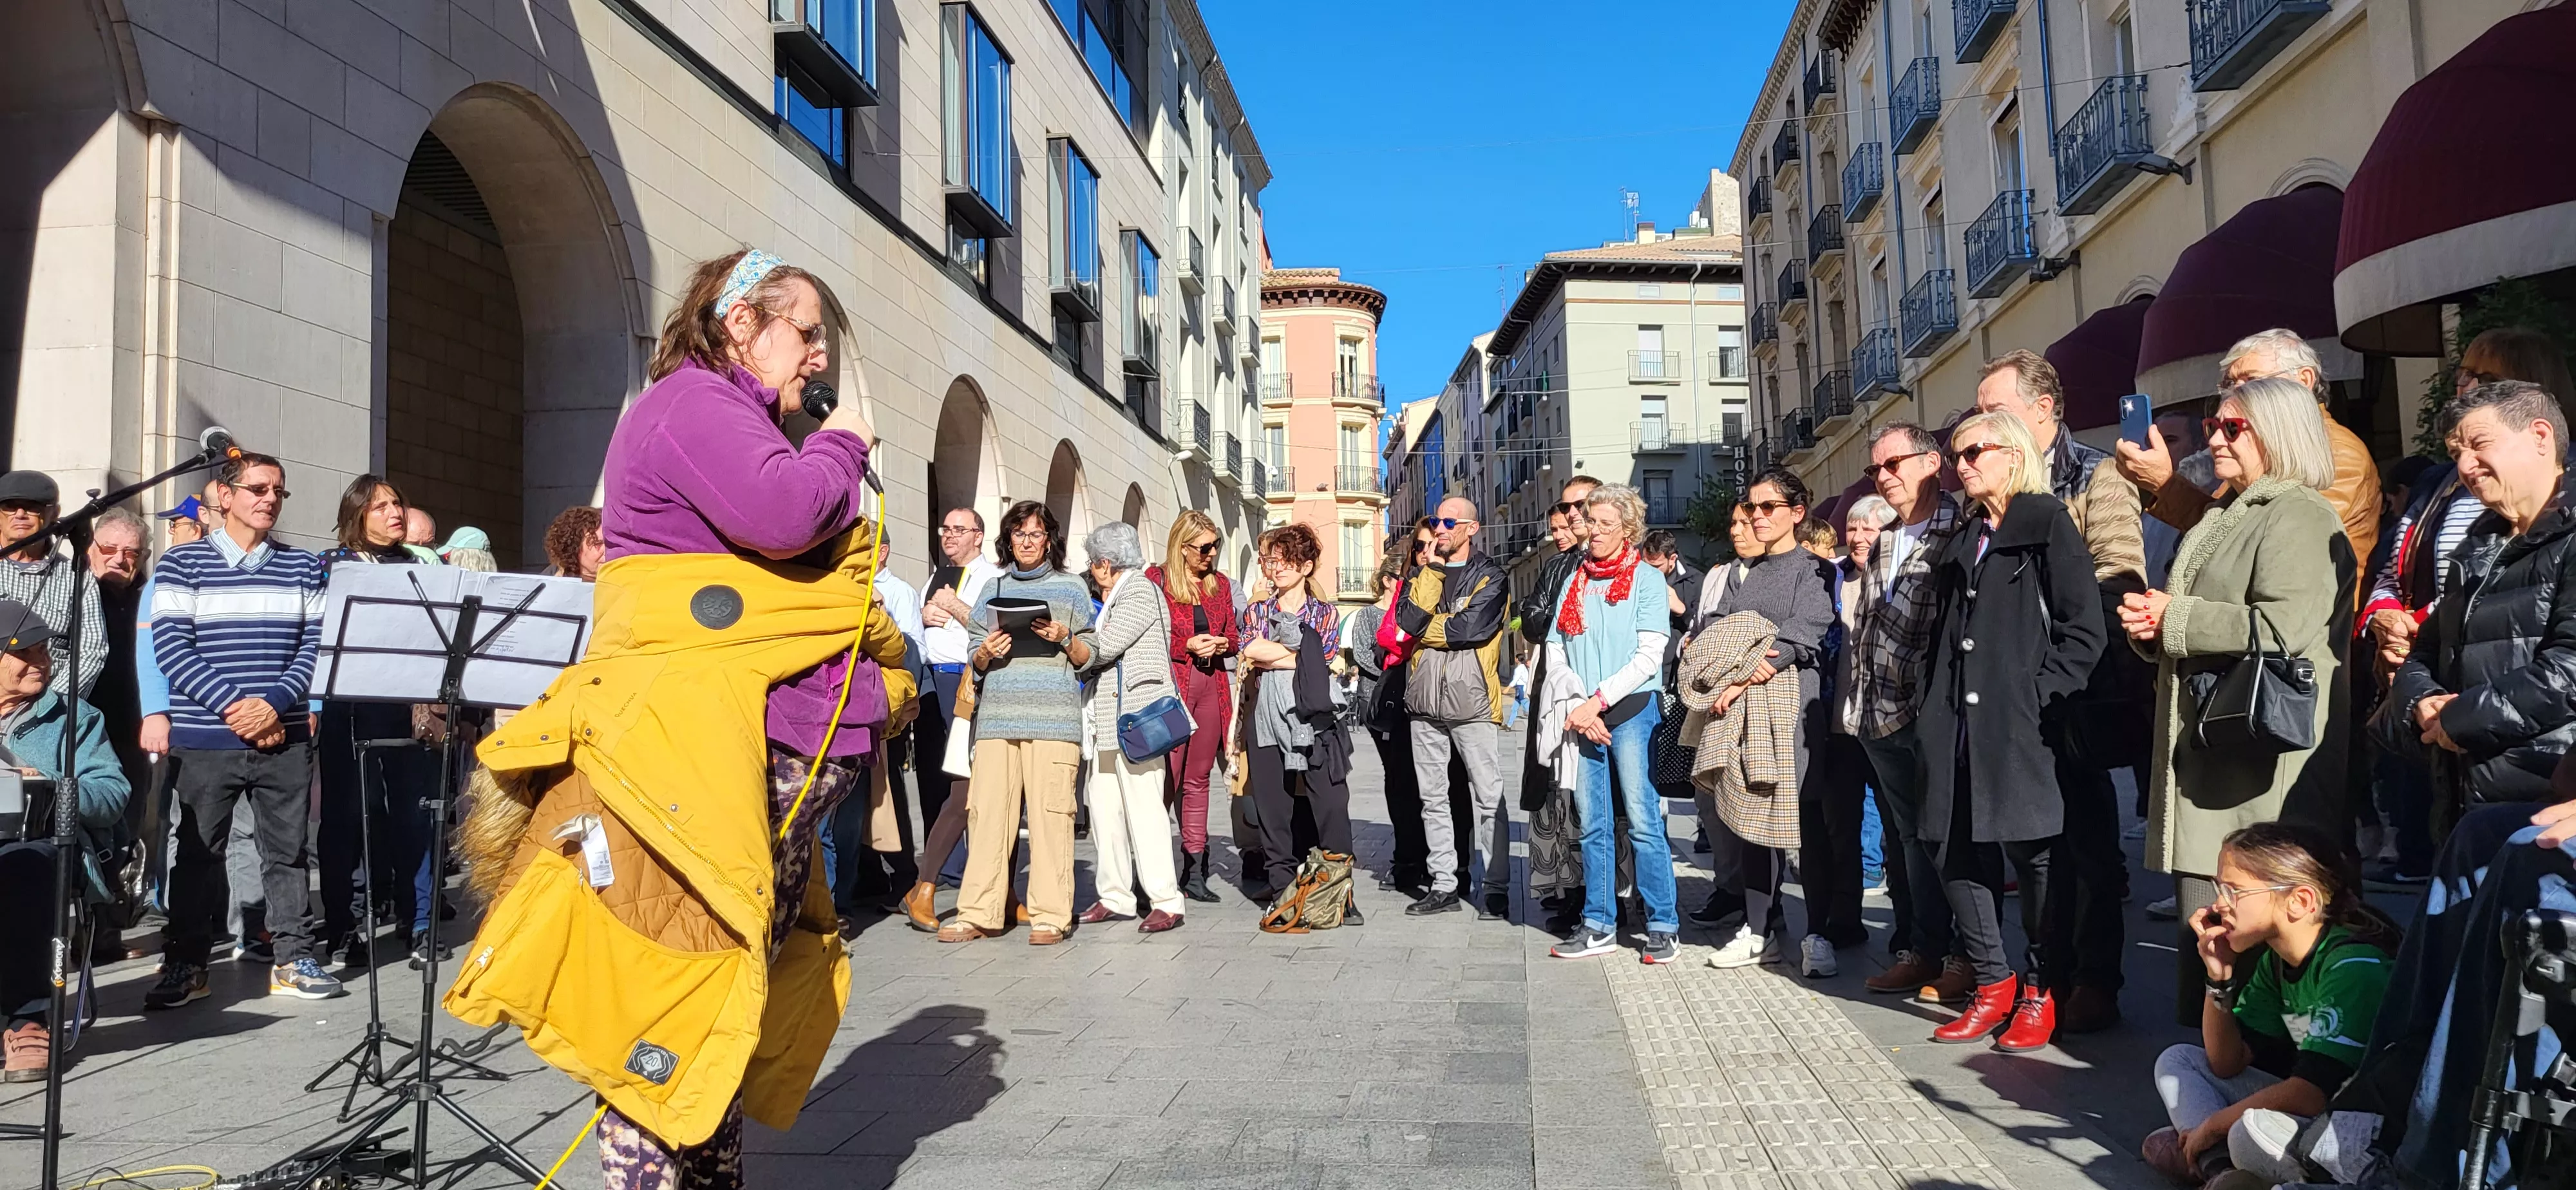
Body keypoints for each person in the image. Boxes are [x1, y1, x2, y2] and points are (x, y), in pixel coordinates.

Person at [448, 248, 905, 1185]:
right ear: (741, 322)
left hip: (738, 746)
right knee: (677, 987)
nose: (818, 357)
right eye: (806, 331)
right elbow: (784, 515)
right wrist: (843, 443)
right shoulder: (691, 404)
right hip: (696, 752)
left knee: (715, 986)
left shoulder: (731, 413)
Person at [2119, 377, 2354, 1028]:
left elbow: (2283, 630)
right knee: (2212, 942)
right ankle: (2214, 1084)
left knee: (2241, 943)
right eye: (2214, 424)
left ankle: (2240, 1090)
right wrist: (2152, 627)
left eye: (2232, 427)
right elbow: (2199, 621)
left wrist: (2173, 619)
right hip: (2217, 758)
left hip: (2257, 772)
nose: (2213, 438)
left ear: (2278, 434)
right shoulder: (2232, 509)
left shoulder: (2300, 514)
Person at [1916, 411, 2107, 1050]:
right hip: (1954, 722)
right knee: (1952, 846)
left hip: (2019, 725)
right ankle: (1991, 985)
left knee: (2035, 858)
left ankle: (2039, 987)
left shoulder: (2045, 522)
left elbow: (2085, 631)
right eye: (1954, 455)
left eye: (1973, 452)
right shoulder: (1964, 536)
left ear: (2013, 454)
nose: (1960, 465)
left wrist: (2036, 695)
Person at [1977, 348, 2150, 1034]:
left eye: (1998, 408)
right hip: (2007, 698)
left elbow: (2118, 577)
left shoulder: (2094, 475)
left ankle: (2094, 979)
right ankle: (2043, 973)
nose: (1985, 424)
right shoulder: (1991, 485)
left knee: (2087, 840)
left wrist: (2055, 665)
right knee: (2030, 846)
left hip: (2070, 694)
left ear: (2043, 410)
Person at [2363, 330, 2575, 885]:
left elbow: (2569, 670)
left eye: (2479, 444)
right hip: (2464, 799)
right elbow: (2426, 651)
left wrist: (2460, 718)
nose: (2467, 465)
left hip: (2549, 800)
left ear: (2540, 436)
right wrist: (2423, 705)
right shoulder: (2477, 544)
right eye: (2456, 452)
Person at [142, 451, 341, 1008]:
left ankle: (293, 956)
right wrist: (238, 708)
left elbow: (315, 648)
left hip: (286, 736)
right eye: (257, 488)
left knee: (287, 852)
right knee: (199, 856)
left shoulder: (303, 567)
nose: (269, 499)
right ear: (224, 497)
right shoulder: (182, 565)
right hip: (207, 738)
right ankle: (186, 962)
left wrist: (274, 705)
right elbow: (172, 650)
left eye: (278, 491)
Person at [2143, 823, 2398, 1187]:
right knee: (2178, 1060)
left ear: (2301, 901)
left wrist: (2215, 1124)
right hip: (2313, 1110)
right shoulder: (2277, 960)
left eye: (2234, 891)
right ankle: (2223, 1173)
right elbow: (2225, 1063)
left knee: (2244, 1133)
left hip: (2358, 1129)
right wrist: (2219, 978)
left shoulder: (2354, 966)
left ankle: (2213, 1159)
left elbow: (2310, 1094)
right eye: (2220, 889)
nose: (2218, 905)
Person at [1701, 468, 1837, 972]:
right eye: (1752, 508)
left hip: (1796, 711)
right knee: (1753, 820)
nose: (1756, 517)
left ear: (1797, 513)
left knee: (1805, 820)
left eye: (1768, 508)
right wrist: (1727, 662)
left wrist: (1745, 669)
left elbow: (1806, 632)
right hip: (1746, 715)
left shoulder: (1813, 569)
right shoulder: (1752, 572)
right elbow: (1724, 629)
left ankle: (1818, 935)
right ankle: (1760, 931)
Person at [942, 500, 1095, 945]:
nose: (1027, 542)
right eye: (1019, 534)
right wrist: (986, 652)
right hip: (997, 720)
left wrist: (1064, 637)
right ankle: (978, 913)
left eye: (1036, 534)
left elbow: (1092, 654)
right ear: (1008, 541)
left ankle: (1050, 916)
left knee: (1051, 818)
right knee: (986, 816)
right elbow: (974, 654)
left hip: (1053, 719)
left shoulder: (1071, 590)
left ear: (1050, 540)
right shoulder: (993, 588)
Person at [1540, 484, 1678, 964]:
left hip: (1632, 709)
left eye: (1604, 523)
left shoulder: (1645, 580)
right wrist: (1580, 702)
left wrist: (1598, 701)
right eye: (1590, 521)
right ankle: (1598, 922)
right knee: (1592, 822)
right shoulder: (1575, 580)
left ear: (1628, 529)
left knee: (1642, 821)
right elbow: (1555, 648)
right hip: (1585, 712)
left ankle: (1663, 924)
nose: (1593, 531)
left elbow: (1649, 656)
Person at [313, 475, 446, 968]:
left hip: (409, 706)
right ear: (357, 516)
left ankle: (421, 921)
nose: (395, 513)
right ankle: (346, 926)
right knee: (349, 817)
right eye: (381, 506)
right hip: (350, 706)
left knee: (415, 813)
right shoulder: (333, 567)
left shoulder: (421, 567)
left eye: (398, 504)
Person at [2117, 328, 2381, 574]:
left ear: (2304, 380)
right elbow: (2223, 522)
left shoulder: (2338, 452)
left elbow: (2267, 547)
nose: (2238, 393)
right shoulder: (2259, 442)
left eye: (2253, 380)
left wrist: (2164, 485)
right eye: (2230, 384)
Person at [0, 601, 131, 1081]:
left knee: (24, 867)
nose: (40, 662)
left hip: (49, 844)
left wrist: (52, 785)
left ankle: (28, 1017)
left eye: (43, 651)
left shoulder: (76, 718)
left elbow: (113, 794)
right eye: (22, 653)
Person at [1387, 496, 1513, 918]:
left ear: (1472, 528)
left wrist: (1429, 629)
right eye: (1437, 520)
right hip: (1424, 702)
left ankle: (1495, 886)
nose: (1439, 528)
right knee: (1433, 799)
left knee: (1488, 796)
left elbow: (1470, 629)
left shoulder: (1492, 576)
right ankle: (1444, 885)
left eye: (1449, 521)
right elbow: (1407, 622)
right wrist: (1433, 572)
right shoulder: (1424, 572)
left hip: (1472, 701)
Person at [1237, 524, 1359, 918]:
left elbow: (1321, 658)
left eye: (1288, 560)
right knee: (1274, 809)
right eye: (1274, 560)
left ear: (1306, 566)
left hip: (1316, 717)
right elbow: (1252, 649)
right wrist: (1298, 655)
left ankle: (1340, 892)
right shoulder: (1257, 610)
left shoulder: (1325, 612)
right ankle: (1283, 892)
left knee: (1332, 803)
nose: (1279, 568)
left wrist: (1280, 656)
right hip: (1267, 719)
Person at [1073, 523, 1185, 932]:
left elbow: (1104, 648)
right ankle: (1116, 895)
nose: (1091, 570)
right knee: (1104, 811)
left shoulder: (1138, 590)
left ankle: (1166, 900)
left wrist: (1070, 642)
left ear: (1105, 564)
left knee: (1144, 811)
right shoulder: (1119, 593)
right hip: (1106, 724)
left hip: (1135, 722)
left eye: (1092, 563)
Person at [900, 507, 1005, 932]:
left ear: (979, 536)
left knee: (974, 784)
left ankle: (964, 876)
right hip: (934, 680)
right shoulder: (937, 575)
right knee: (941, 779)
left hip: (970, 682)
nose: (949, 536)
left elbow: (989, 628)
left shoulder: (990, 577)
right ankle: (941, 873)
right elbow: (923, 624)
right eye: (945, 529)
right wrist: (924, 616)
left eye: (958, 530)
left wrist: (954, 605)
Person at [1808, 495, 1895, 965]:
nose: (1859, 538)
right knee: (1841, 827)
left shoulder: (1902, 578)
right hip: (1838, 727)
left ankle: (1914, 932)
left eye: (1870, 529)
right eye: (1853, 530)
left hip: (1887, 726)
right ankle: (1845, 921)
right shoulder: (1832, 580)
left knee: (1900, 832)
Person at [1143, 511, 1238, 903]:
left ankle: (1194, 868)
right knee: (1164, 781)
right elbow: (1146, 636)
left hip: (1211, 687)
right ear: (1181, 547)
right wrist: (1185, 646)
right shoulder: (1156, 581)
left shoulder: (1220, 586)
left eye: (1215, 546)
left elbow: (1233, 634)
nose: (1211, 554)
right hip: (1172, 689)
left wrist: (1220, 644)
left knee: (1198, 781)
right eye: (1204, 547)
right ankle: (1149, 871)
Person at [1520, 483, 1598, 923]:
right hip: (1557, 690)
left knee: (1604, 801)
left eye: (1576, 506)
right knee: (1560, 792)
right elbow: (1533, 619)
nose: (1569, 517)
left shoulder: (1625, 560)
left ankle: (1609, 895)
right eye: (1565, 508)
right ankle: (1570, 887)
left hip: (1605, 694)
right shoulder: (1557, 567)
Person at [0, 471, 106, 697]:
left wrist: (48, 706)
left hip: (47, 707)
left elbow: (91, 652)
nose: (20, 514)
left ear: (54, 514)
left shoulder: (77, 575)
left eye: (33, 506)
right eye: (10, 506)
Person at [544, 505, 605, 580]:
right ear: (573, 550)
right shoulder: (547, 586)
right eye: (597, 544)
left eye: (610, 542)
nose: (607, 549)